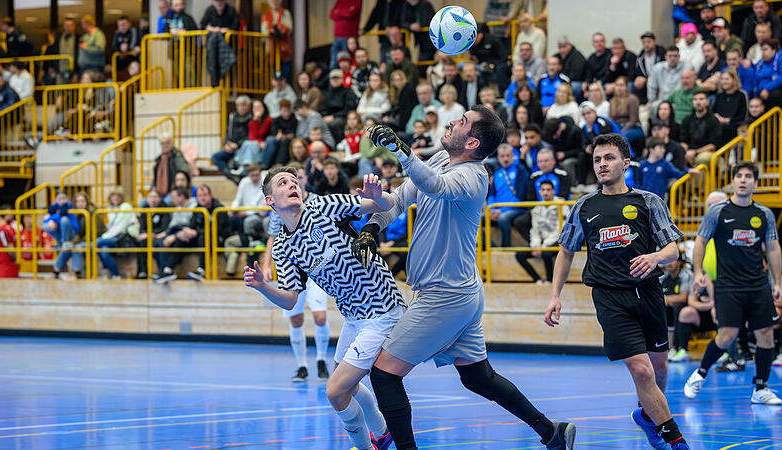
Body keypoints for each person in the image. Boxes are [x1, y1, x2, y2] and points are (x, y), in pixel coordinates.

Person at [355, 108, 577, 450]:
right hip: (462, 292)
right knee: (477, 376)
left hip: (446, 297)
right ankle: (552, 433)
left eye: (461, 121)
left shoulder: (474, 176)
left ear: (472, 142)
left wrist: (403, 151)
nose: (452, 121)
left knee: (384, 373)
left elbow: (435, 186)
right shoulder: (443, 156)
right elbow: (398, 200)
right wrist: (372, 227)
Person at [545, 133, 689, 450]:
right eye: (597, 160)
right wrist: (555, 295)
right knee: (641, 369)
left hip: (649, 293)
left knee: (659, 369)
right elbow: (565, 252)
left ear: (625, 163)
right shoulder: (584, 207)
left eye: (608, 158)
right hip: (610, 298)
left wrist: (654, 257)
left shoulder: (649, 201)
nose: (602, 165)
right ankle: (675, 439)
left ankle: (648, 417)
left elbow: (672, 251)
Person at [244, 168, 402, 450]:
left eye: (294, 181)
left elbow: (384, 205)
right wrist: (262, 286)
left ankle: (368, 447)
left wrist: (379, 196)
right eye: (283, 183)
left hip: (381, 307)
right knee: (347, 387)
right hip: (354, 316)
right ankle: (383, 433)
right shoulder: (282, 246)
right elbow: (290, 299)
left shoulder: (323, 207)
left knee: (335, 391)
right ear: (270, 200)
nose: (293, 185)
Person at [684, 161, 782, 405]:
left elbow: (772, 247)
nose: (743, 180)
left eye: (748, 176)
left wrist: (777, 282)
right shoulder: (717, 211)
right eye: (739, 176)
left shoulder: (764, 214)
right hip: (728, 284)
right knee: (727, 334)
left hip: (758, 284)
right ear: (733, 181)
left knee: (766, 334)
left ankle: (761, 388)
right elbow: (700, 242)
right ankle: (700, 373)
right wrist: (698, 273)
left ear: (755, 183)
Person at [515, 180, 561, 284]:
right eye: (543, 190)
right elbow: (535, 230)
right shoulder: (537, 208)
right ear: (539, 192)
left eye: (548, 190)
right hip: (543, 242)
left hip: (558, 240)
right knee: (519, 255)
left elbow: (560, 230)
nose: (546, 192)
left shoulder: (562, 205)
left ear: (553, 191)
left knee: (546, 254)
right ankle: (537, 280)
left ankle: (550, 280)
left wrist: (544, 246)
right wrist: (535, 246)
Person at [487, 143, 529, 248]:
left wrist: (502, 210)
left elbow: (520, 196)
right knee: (478, 219)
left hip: (516, 208)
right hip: (496, 210)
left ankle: (506, 248)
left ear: (513, 156)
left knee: (503, 218)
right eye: (502, 156)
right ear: (498, 158)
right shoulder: (497, 173)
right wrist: (491, 209)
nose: (505, 159)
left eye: (508, 155)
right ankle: (489, 246)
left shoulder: (520, 170)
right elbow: (492, 195)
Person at [96, 191, 138, 279]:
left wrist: (103, 237)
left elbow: (120, 228)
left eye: (118, 196)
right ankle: (115, 274)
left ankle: (87, 246)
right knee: (103, 250)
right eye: (113, 196)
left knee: (97, 243)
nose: (116, 198)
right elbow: (112, 227)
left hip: (126, 238)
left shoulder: (126, 207)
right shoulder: (110, 209)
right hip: (115, 237)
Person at [659, 254, 692, 361]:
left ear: (679, 262)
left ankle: (677, 348)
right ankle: (660, 348)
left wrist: (667, 300)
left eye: (672, 260)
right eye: (667, 260)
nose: (669, 263)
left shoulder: (686, 275)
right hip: (669, 308)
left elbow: (683, 298)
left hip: (690, 309)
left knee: (678, 307)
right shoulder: (664, 277)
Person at [211, 96, 253, 178]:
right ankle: (230, 174)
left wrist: (238, 145)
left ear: (248, 106)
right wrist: (226, 143)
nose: (241, 108)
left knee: (236, 163)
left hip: (243, 148)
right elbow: (228, 131)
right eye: (238, 105)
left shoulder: (251, 118)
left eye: (243, 105)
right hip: (231, 147)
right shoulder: (233, 117)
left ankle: (234, 173)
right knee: (215, 157)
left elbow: (251, 135)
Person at [680, 90, 722, 167]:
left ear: (707, 102)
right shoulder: (687, 119)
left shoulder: (714, 121)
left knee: (702, 158)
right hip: (690, 151)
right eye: (695, 99)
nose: (698, 102)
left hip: (707, 152)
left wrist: (695, 152)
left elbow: (713, 145)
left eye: (701, 99)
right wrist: (686, 152)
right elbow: (683, 141)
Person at [134, 190, 170, 279]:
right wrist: (145, 234)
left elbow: (164, 228)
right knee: (140, 243)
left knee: (157, 245)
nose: (153, 200)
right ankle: (142, 272)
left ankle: (161, 271)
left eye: (155, 197)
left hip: (159, 236)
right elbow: (142, 228)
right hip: (147, 237)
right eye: (150, 197)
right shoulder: (145, 209)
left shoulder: (165, 209)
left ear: (160, 199)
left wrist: (151, 234)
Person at [150, 133, 191, 200]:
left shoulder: (177, 156)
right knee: (143, 204)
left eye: (167, 143)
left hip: (172, 192)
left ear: (172, 143)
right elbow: (155, 179)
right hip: (158, 193)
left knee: (165, 203)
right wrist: (152, 190)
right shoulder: (159, 159)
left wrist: (176, 188)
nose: (165, 145)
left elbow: (184, 171)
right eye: (163, 143)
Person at [261, 0, 293, 80]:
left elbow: (289, 28)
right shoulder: (266, 16)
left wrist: (279, 31)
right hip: (271, 51)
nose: (275, 2)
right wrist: (271, 32)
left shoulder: (285, 13)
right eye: (272, 1)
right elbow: (264, 33)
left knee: (286, 74)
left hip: (284, 50)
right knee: (274, 76)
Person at [712, 70, 747, 142]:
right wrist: (717, 117)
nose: (724, 81)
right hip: (719, 126)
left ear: (734, 80)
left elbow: (742, 116)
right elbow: (713, 112)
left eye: (727, 79)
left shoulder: (741, 95)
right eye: (722, 79)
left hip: (734, 126)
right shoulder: (719, 95)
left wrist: (727, 120)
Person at [754, 38, 782, 110]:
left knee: (775, 95)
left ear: (774, 50)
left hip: (780, 91)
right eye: (761, 50)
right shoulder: (761, 63)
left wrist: (767, 88)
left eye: (765, 49)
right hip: (763, 92)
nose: (763, 52)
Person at [634, 31, 665, 103]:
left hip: (660, 81)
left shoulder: (661, 54)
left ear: (654, 42)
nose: (646, 44)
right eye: (644, 42)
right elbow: (638, 72)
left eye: (648, 42)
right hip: (645, 85)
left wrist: (647, 79)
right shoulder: (640, 57)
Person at [329, 0, 362, 69]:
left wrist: (338, 12)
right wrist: (345, 11)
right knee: (334, 62)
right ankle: (335, 77)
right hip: (337, 37)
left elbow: (350, 13)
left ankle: (346, 78)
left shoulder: (357, 1)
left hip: (348, 37)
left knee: (346, 61)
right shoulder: (340, 1)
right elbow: (332, 14)